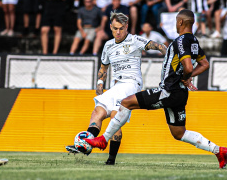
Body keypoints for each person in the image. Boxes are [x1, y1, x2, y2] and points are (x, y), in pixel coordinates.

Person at [85, 9, 227, 169]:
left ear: (180, 22)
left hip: (169, 90)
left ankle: (103, 140)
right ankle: (219, 151)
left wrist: (186, 75)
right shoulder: (194, 41)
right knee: (179, 133)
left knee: (126, 103)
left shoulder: (181, 40)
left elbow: (188, 66)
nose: (176, 25)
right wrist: (187, 77)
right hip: (181, 93)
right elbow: (205, 64)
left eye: (176, 21)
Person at [66, 11, 167, 165]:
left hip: (132, 83)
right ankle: (86, 144)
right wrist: (100, 84)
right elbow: (103, 68)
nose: (118, 32)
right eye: (115, 28)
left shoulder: (134, 40)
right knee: (97, 112)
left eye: (121, 28)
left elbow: (158, 45)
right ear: (110, 28)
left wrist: (169, 56)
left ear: (126, 27)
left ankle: (111, 159)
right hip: (117, 85)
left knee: (115, 117)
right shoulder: (108, 45)